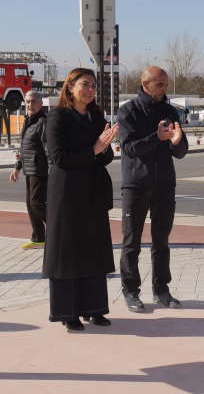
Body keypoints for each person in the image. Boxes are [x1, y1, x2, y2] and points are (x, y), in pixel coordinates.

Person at [42, 68, 118, 331]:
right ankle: (69, 313)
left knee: (94, 250)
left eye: (94, 86)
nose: (90, 90)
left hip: (93, 192)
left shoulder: (96, 116)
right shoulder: (57, 117)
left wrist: (106, 147)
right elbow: (59, 159)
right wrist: (96, 148)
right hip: (67, 193)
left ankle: (95, 309)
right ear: (70, 86)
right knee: (69, 253)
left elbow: (105, 157)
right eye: (85, 84)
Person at [118, 66, 188, 313]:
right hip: (136, 186)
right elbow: (129, 149)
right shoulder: (128, 111)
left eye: (166, 84)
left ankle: (161, 290)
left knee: (161, 242)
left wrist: (178, 143)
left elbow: (180, 151)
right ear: (145, 84)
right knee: (131, 243)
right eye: (160, 84)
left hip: (165, 186)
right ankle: (131, 292)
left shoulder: (170, 111)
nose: (164, 89)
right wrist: (156, 138)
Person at [10, 90, 50, 249]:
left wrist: (52, 168)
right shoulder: (28, 121)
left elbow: (48, 147)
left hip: (40, 169)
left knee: (36, 202)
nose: (30, 105)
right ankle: (39, 237)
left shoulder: (42, 122)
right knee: (30, 203)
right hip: (29, 168)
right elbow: (25, 148)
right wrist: (17, 167)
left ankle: (60, 229)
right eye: (27, 102)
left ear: (41, 104)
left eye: (33, 101)